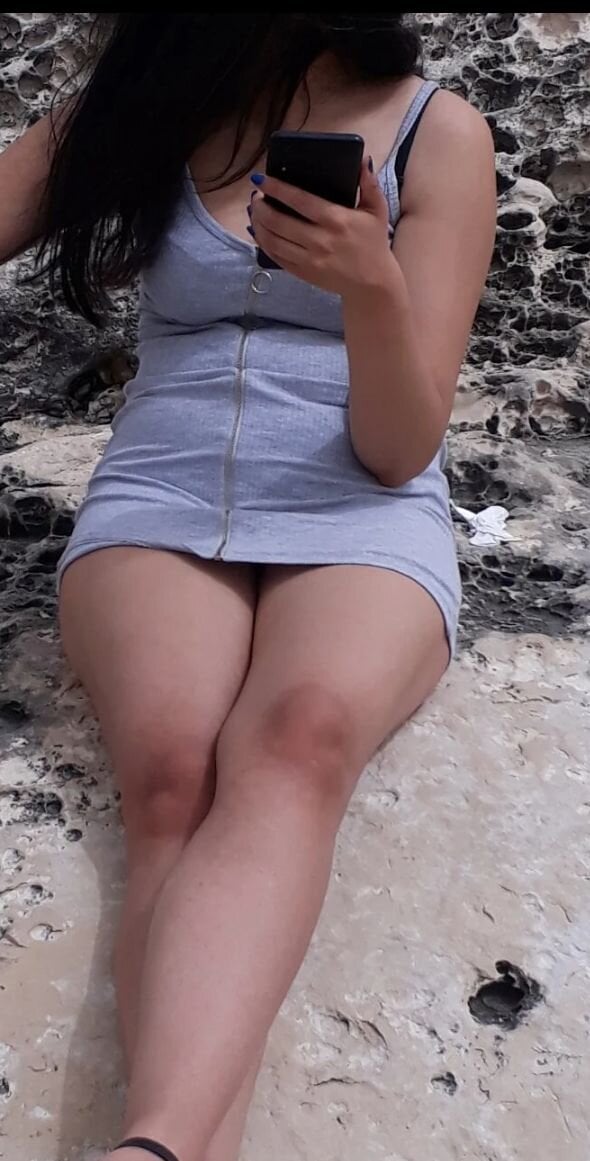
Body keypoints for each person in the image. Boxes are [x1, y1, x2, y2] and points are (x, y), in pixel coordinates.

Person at [0, 14, 496, 1161]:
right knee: (172, 776)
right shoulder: (145, 106)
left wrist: (369, 288)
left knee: (296, 738)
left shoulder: (439, 133)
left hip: (360, 498)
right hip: (160, 487)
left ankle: (154, 1144)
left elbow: (396, 448)